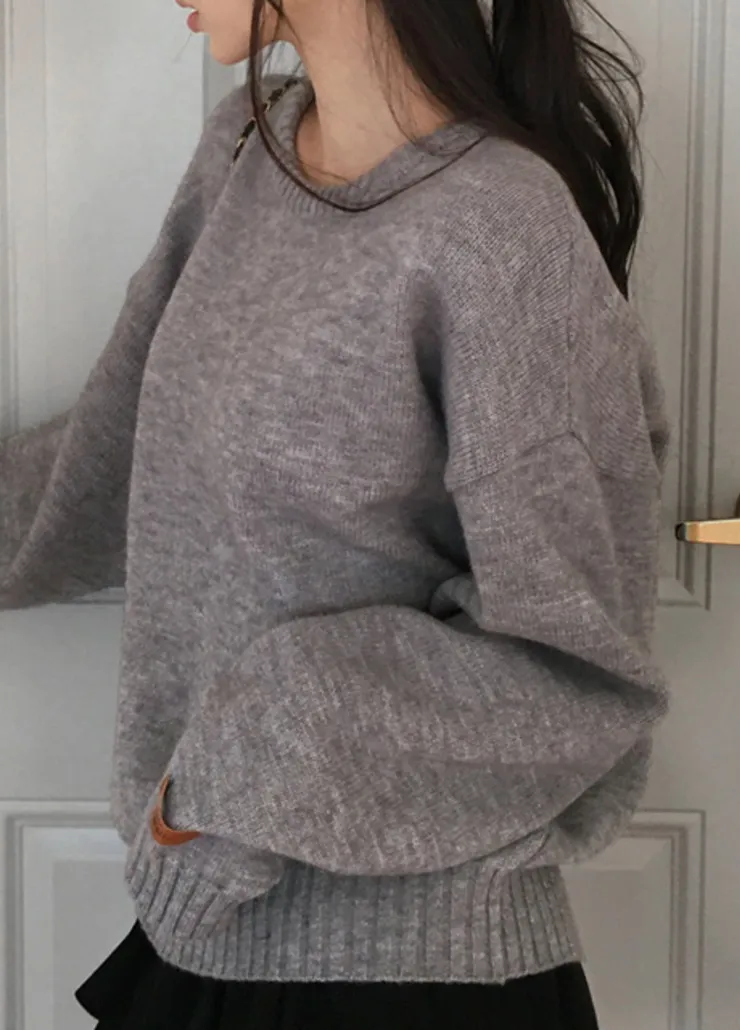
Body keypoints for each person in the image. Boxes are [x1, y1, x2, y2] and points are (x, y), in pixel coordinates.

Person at [0, 0, 671, 1027]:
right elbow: (114, 457)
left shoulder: (504, 230)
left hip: (411, 976)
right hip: (212, 929)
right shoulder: (244, 149)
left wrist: (241, 770)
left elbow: (577, 665)